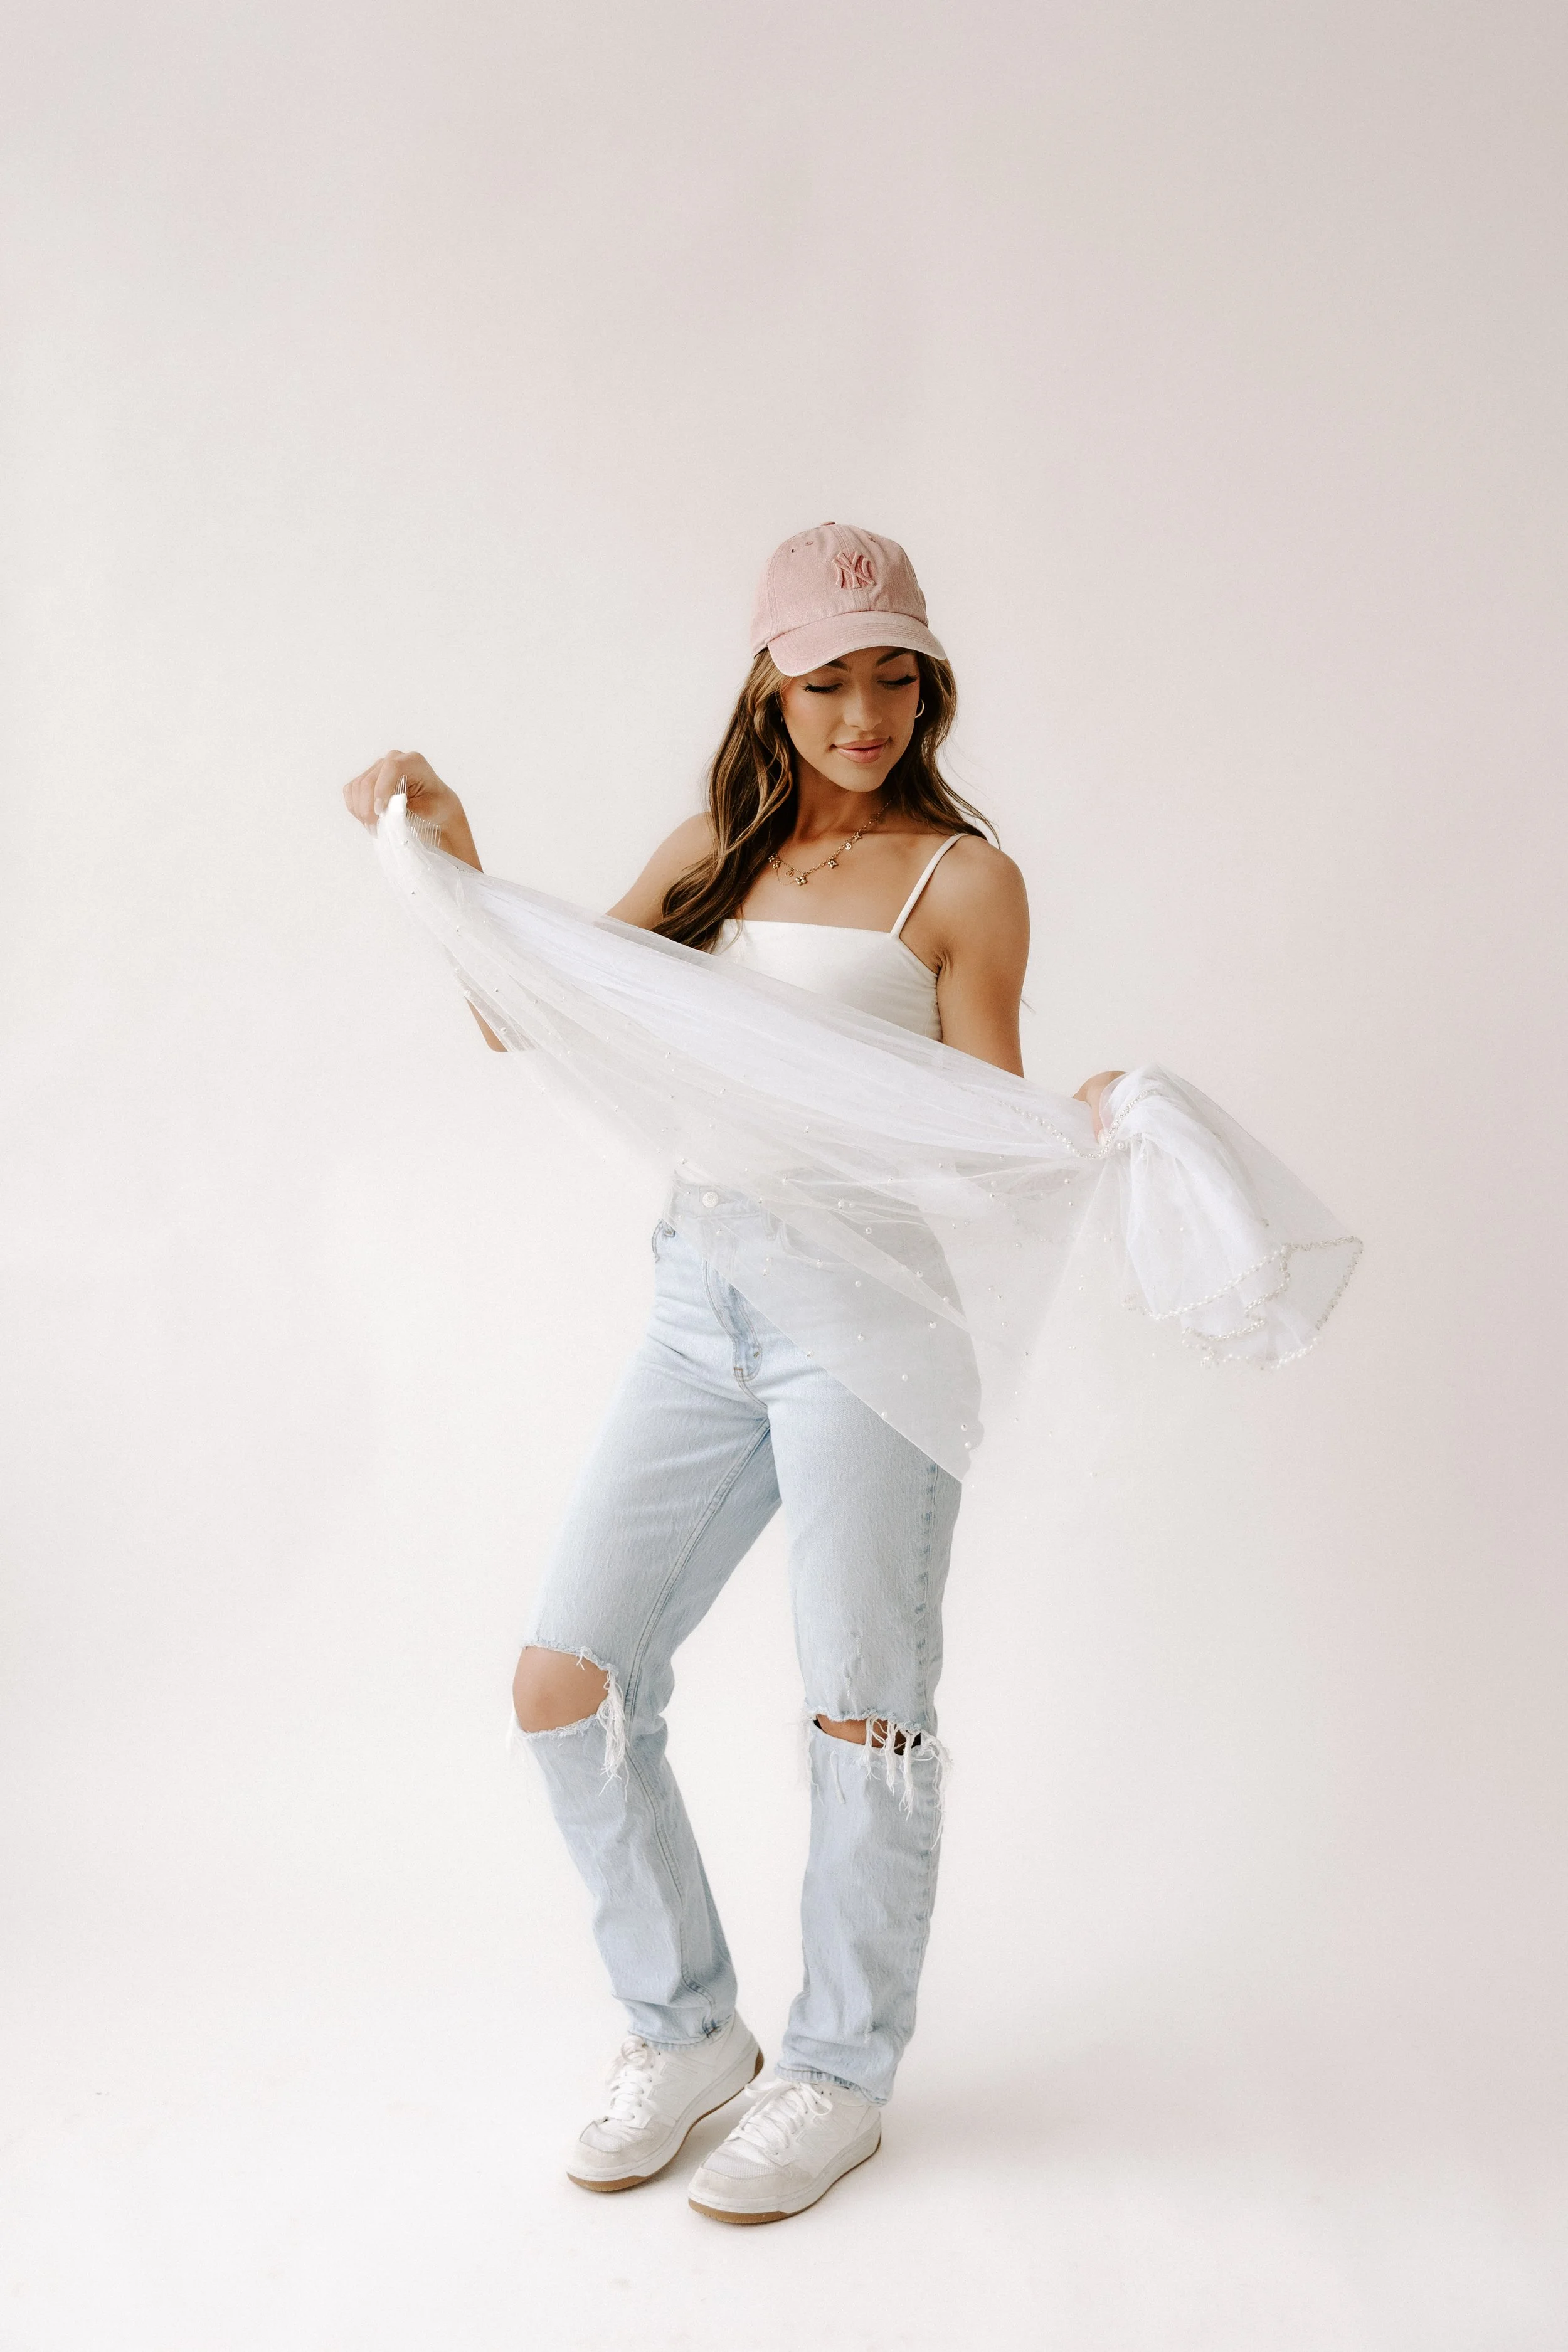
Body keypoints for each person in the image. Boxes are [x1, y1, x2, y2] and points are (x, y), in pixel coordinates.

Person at [342, 522, 1123, 2223]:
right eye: (830, 673)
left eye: (893, 671)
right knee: (568, 1677)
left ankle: (839, 2070)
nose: (864, 709)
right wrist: (455, 859)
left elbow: (984, 1121)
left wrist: (1076, 1124)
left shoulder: (959, 882)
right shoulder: (716, 844)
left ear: (926, 679)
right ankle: (688, 2031)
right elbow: (531, 1012)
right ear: (771, 678)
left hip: (869, 1320)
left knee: (862, 1711)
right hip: (702, 1300)